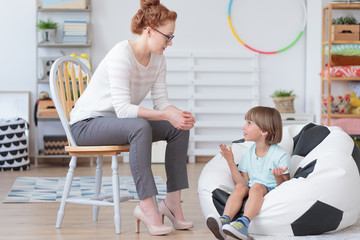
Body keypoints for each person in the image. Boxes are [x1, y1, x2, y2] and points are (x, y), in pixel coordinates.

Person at [69, 0, 195, 236]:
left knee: (178, 127)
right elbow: (123, 110)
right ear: (149, 31)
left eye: (172, 37)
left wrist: (177, 115)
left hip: (120, 125)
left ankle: (171, 202)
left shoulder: (158, 59)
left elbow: (161, 103)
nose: (169, 43)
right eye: (167, 37)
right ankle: (146, 207)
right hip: (86, 125)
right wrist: (166, 114)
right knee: (139, 127)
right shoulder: (121, 53)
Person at [206, 106, 290, 240]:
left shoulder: (280, 155)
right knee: (240, 187)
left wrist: (278, 176)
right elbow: (242, 182)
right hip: (253, 189)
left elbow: (286, 187)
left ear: (264, 131)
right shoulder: (248, 153)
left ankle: (244, 224)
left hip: (271, 190)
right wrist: (231, 162)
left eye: (249, 123)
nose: (244, 127)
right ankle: (224, 220)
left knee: (256, 187)